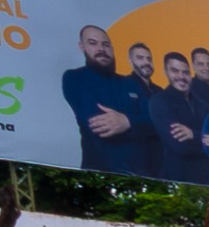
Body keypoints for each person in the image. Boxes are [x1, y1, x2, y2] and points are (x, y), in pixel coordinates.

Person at [59, 25, 151, 174]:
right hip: (100, 174)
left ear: (112, 49)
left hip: (144, 174)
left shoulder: (130, 83)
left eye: (105, 44)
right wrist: (139, 123)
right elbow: (100, 125)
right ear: (82, 47)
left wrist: (127, 121)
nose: (101, 49)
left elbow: (154, 120)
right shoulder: (75, 78)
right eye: (93, 43)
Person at [151, 51, 208, 185]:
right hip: (176, 181)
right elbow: (181, 146)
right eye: (175, 71)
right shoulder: (160, 101)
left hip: (205, 180)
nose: (181, 76)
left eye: (185, 72)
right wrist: (207, 141)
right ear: (165, 72)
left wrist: (193, 134)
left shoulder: (202, 105)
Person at [123, 42, 166, 177]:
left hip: (162, 161)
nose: (146, 62)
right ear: (131, 61)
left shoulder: (160, 91)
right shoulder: (123, 85)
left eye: (149, 59)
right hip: (137, 162)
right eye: (140, 58)